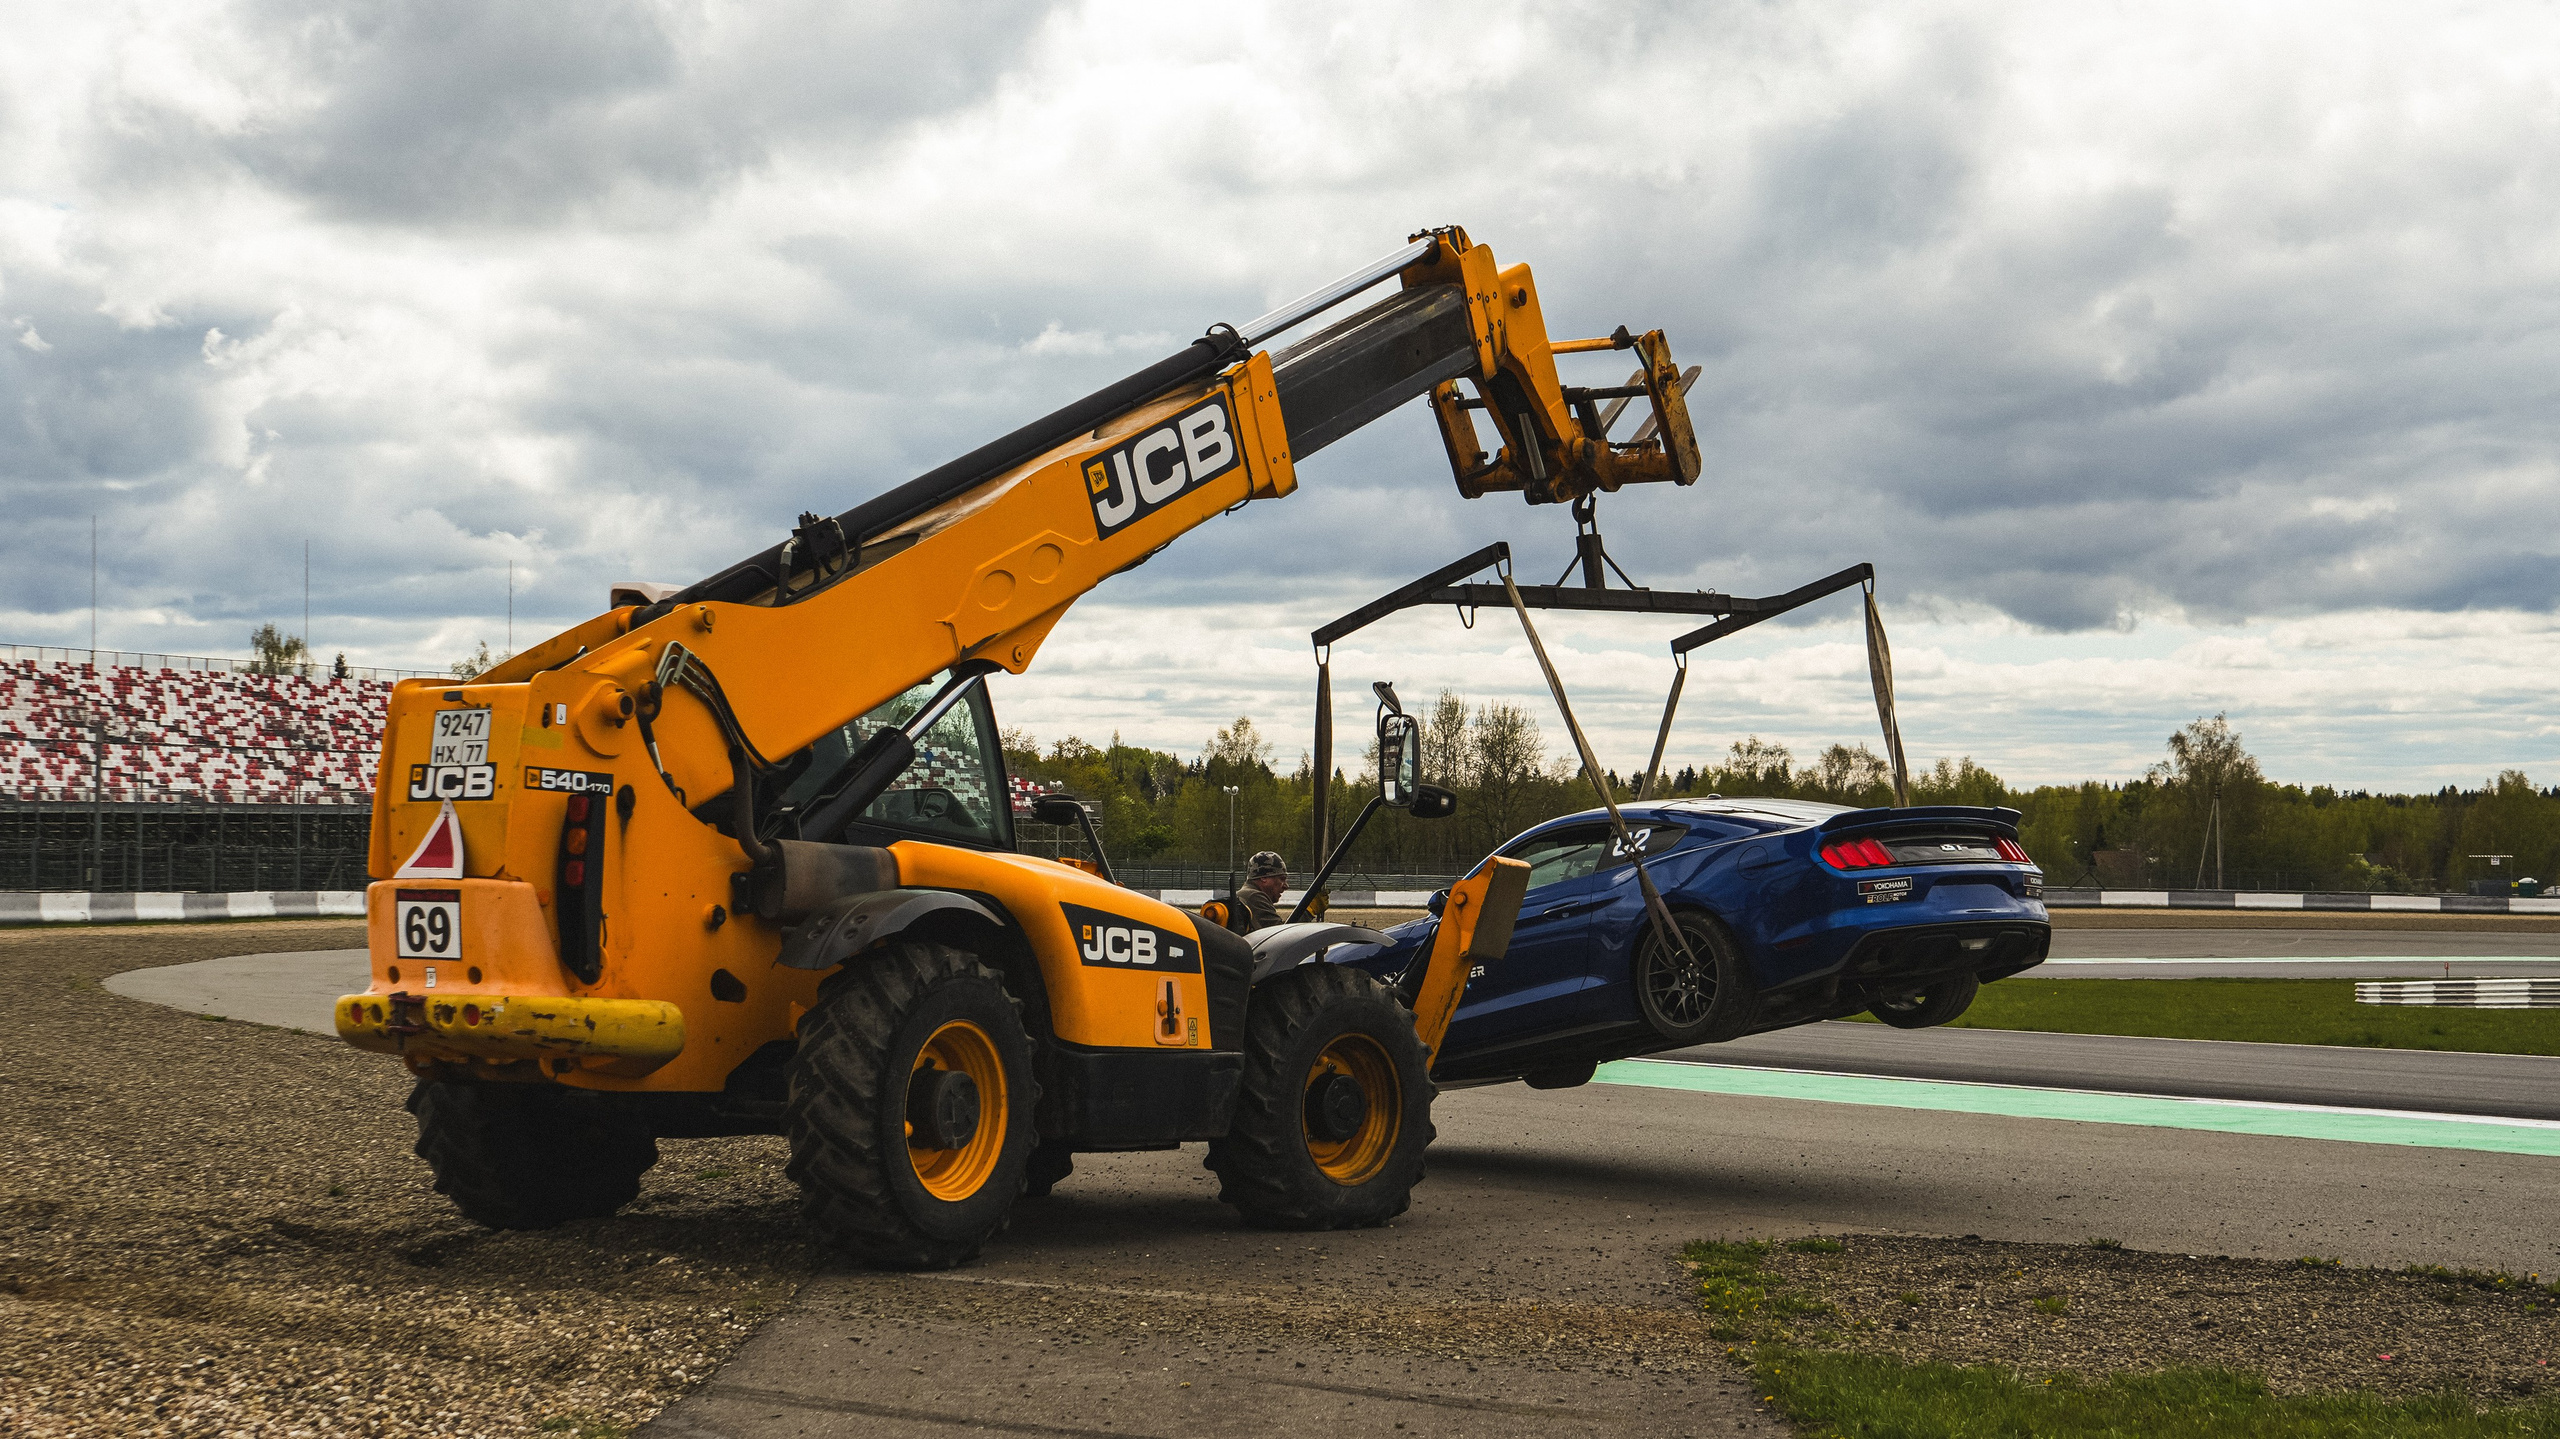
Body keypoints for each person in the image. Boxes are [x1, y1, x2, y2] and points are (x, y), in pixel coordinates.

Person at [1204, 850, 1290, 935]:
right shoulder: (1254, 897)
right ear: (1264, 878)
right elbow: (1282, 935)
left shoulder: (1244, 895)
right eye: (1282, 879)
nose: (1286, 886)